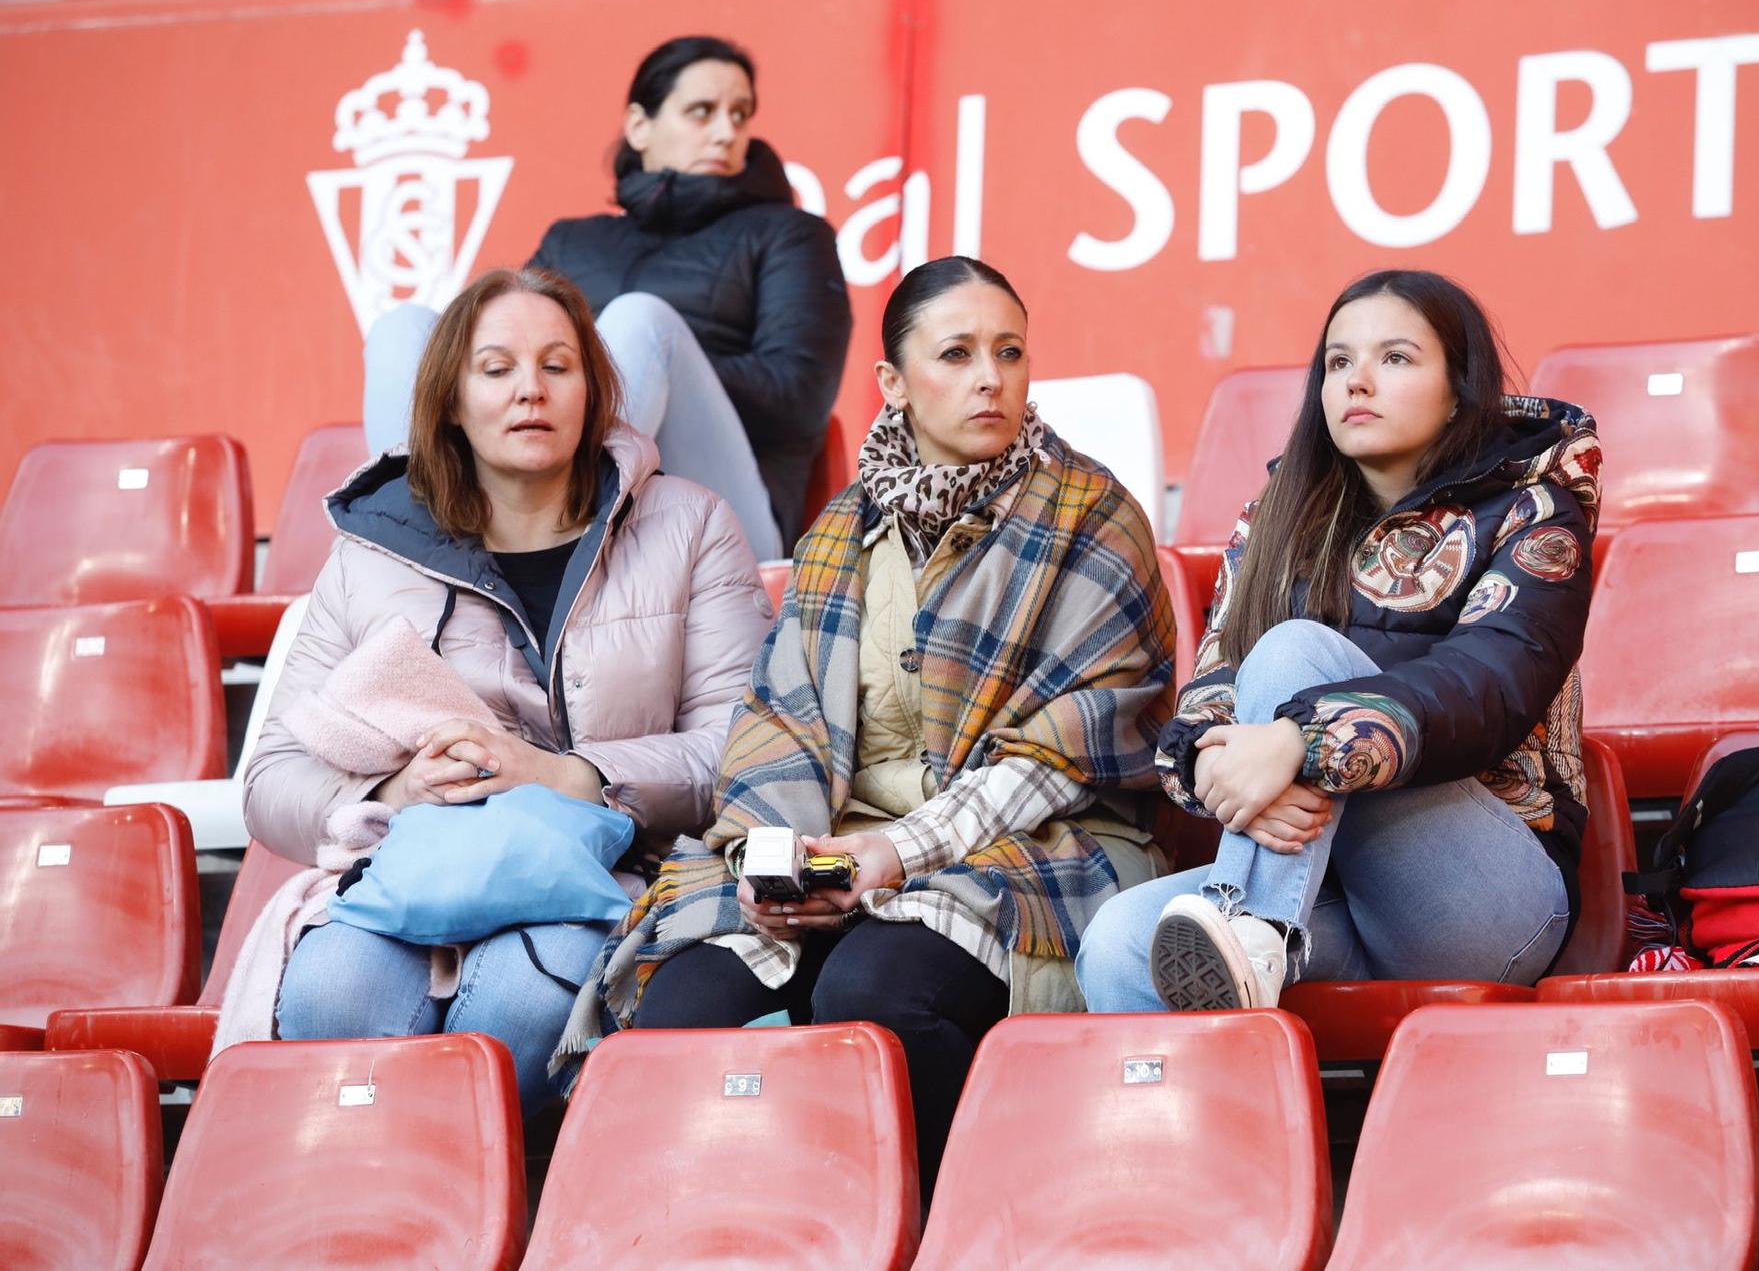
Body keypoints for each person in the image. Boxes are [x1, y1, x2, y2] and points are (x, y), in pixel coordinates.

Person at [558, 256, 1176, 1192]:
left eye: (1009, 352)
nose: (989, 378)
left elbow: (1061, 756)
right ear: (892, 384)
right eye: (957, 353)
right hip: (842, 854)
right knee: (682, 1005)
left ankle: (965, 1220)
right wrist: (774, 864)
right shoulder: (842, 528)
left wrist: (893, 855)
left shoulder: (1095, 516)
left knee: (875, 990)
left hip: (1038, 847)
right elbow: (779, 724)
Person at [250, 266, 771, 1116]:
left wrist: (565, 774)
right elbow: (272, 778)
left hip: (610, 873)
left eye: (557, 365)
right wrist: (393, 792)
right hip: (412, 866)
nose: (530, 389)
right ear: (451, 400)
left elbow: (745, 752)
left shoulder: (690, 523)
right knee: (328, 996)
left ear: (595, 389)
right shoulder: (372, 551)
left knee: (523, 1009)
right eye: (496, 369)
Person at [1076, 268, 1601, 1013]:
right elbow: (1207, 700)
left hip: (1481, 897)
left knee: (1295, 653)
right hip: (1322, 892)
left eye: (1395, 358)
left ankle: (1249, 923)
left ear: (1459, 387)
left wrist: (1298, 745)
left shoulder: (1534, 510)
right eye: (1337, 362)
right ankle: (1246, 1076)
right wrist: (1224, 769)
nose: (1358, 381)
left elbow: (1489, 684)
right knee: (1119, 943)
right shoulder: (1274, 522)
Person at [364, 35, 851, 561]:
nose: (726, 132)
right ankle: (410, 542)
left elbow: (798, 399)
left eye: (740, 114)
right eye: (702, 111)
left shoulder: (791, 233)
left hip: (725, 512)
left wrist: (646, 363)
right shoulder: (573, 241)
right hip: (541, 492)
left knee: (640, 320)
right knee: (403, 325)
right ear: (639, 127)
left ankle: (560, 527)